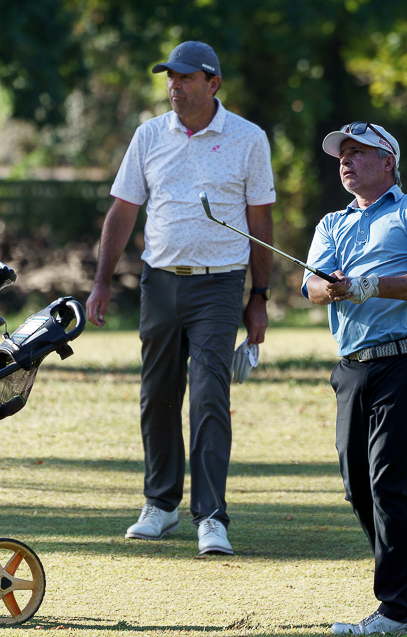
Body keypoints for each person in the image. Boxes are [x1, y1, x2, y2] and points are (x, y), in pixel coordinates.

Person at [86, 41, 275, 556]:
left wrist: (259, 296)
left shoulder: (248, 139)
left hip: (220, 284)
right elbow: (123, 210)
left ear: (213, 83)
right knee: (158, 395)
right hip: (160, 283)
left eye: (186, 77)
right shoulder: (149, 135)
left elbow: (261, 221)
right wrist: (102, 281)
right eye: (170, 77)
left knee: (210, 394)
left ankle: (211, 516)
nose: (175, 86)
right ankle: (161, 505)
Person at [302, 122, 407, 635]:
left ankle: (396, 610)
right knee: (357, 484)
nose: (345, 160)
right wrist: (332, 288)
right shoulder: (332, 223)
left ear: (388, 161)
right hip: (353, 366)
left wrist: (372, 284)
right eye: (342, 154)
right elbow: (312, 286)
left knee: (388, 478)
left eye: (358, 152)